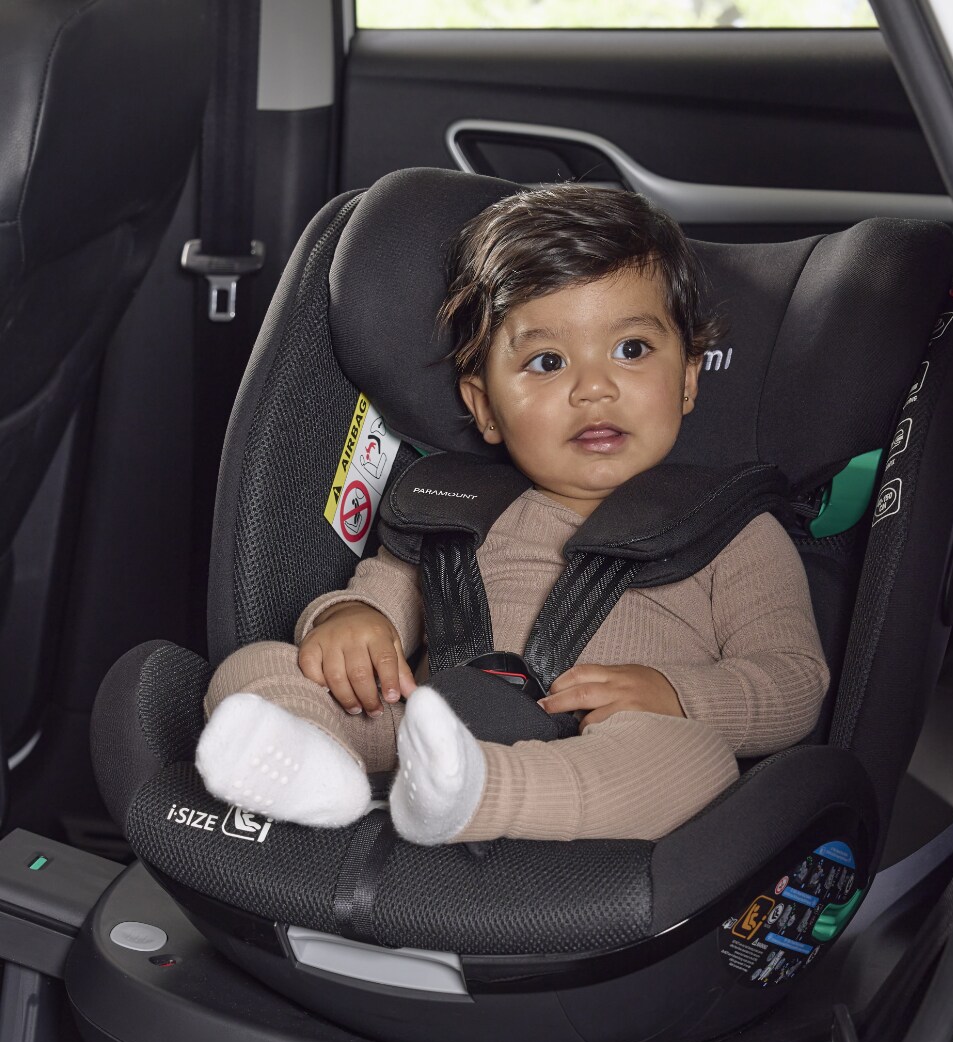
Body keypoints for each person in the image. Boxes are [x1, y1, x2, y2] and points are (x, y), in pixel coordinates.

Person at [196, 185, 829, 845]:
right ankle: (311, 770)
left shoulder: (733, 530)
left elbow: (793, 681)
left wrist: (677, 695)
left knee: (693, 761)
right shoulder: (454, 511)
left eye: (632, 350)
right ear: (485, 408)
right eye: (547, 362)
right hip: (427, 730)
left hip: (603, 753)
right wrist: (345, 622)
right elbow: (376, 608)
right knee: (258, 669)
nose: (594, 388)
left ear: (689, 377)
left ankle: (475, 794)